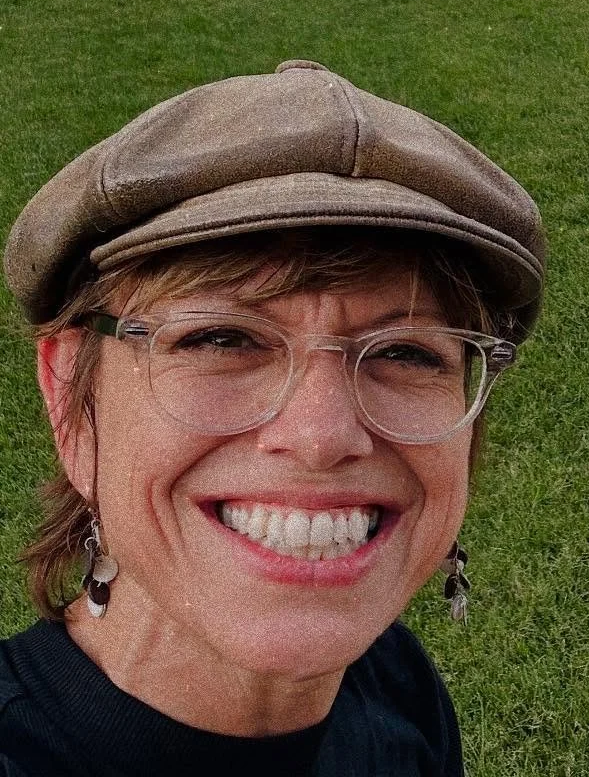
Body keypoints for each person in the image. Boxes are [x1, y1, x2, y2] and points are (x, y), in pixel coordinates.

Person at [0, 60, 545, 775]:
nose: (321, 436)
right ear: (73, 399)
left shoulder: (398, 687)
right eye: (220, 338)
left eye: (407, 353)